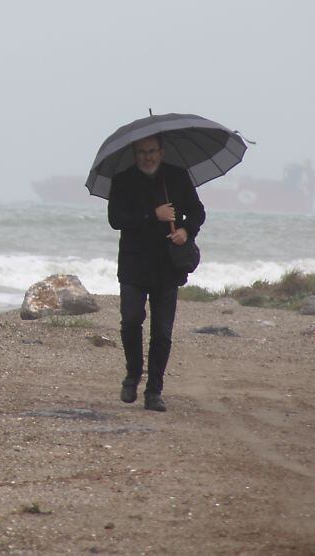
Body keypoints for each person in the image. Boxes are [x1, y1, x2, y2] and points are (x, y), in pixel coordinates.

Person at [107, 134, 205, 412]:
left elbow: (197, 212)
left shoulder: (177, 177)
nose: (147, 157)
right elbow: (116, 219)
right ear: (134, 154)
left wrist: (186, 231)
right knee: (130, 321)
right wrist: (153, 214)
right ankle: (133, 374)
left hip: (167, 266)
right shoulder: (123, 180)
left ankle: (154, 391)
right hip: (133, 264)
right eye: (141, 152)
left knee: (162, 332)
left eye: (152, 151)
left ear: (161, 152)